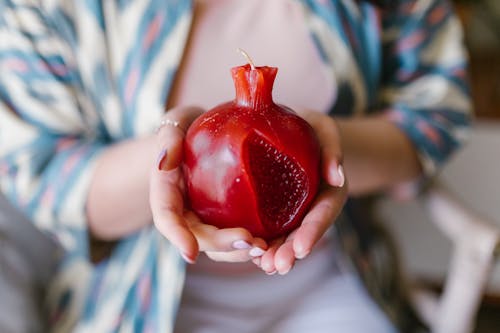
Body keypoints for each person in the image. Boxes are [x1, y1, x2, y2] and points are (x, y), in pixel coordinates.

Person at [0, 0, 471, 332]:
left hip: (333, 282)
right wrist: (169, 158)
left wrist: (330, 143)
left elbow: (435, 117)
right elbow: (46, 175)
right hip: (137, 301)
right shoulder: (47, 7)